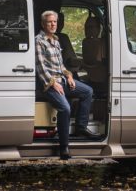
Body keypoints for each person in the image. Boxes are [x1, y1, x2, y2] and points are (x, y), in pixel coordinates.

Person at [35, 9, 95, 159]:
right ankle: (64, 147)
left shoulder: (55, 40)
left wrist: (68, 76)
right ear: (43, 24)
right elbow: (40, 68)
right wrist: (53, 83)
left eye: (55, 21)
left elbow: (61, 66)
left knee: (87, 91)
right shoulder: (38, 41)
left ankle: (81, 127)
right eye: (49, 22)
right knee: (65, 108)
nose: (53, 24)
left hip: (62, 80)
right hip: (48, 85)